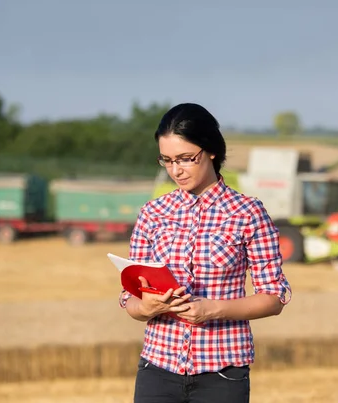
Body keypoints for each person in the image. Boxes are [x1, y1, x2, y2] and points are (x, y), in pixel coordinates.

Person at [118, 103, 292, 403]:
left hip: (222, 375)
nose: (176, 170)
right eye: (167, 160)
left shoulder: (248, 213)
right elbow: (130, 299)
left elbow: (273, 298)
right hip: (156, 369)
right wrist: (146, 308)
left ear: (211, 149)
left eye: (186, 158)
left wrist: (211, 310)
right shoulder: (152, 213)